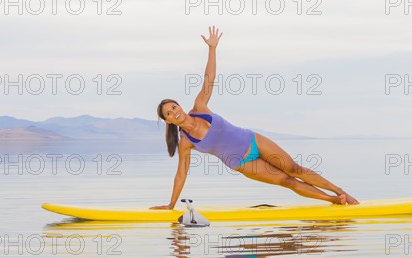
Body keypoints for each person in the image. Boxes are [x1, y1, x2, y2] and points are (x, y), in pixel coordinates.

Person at [150, 26, 359, 210]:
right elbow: (181, 175)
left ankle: (341, 192)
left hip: (253, 140)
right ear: (168, 121)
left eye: (174, 107)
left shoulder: (200, 107)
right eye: (168, 113)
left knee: (294, 169)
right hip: (244, 163)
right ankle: (332, 200)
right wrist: (170, 205)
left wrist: (212, 49)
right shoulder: (186, 142)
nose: (174, 112)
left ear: (179, 105)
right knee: (288, 181)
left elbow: (209, 78)